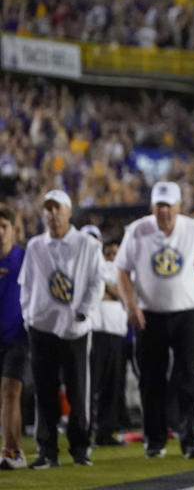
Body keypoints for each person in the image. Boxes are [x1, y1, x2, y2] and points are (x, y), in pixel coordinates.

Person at [115, 181, 194, 459]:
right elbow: (122, 271)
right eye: (159, 206)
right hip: (149, 315)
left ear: (178, 206)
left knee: (190, 376)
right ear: (152, 207)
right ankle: (155, 439)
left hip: (188, 313)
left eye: (168, 206)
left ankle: (191, 440)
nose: (164, 211)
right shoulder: (138, 230)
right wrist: (131, 306)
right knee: (151, 379)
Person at [20, 190, 106, 468]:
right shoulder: (35, 246)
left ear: (69, 212)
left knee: (78, 390)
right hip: (42, 327)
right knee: (44, 391)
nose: (52, 214)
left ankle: (80, 448)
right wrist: (28, 315)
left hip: (75, 329)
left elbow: (97, 282)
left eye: (57, 208)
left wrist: (83, 311)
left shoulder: (87, 245)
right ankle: (47, 451)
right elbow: (27, 285)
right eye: (47, 209)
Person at [82, 225, 128, 446]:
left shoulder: (114, 267)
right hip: (95, 332)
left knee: (112, 385)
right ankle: (84, 430)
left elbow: (128, 293)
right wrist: (114, 291)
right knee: (89, 385)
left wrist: (110, 291)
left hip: (116, 332)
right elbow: (95, 294)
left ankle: (105, 432)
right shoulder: (87, 267)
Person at [0, 205, 27, 469]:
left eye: (3, 226)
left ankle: (13, 451)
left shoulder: (25, 258)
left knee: (10, 391)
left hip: (16, 337)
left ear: (13, 229)